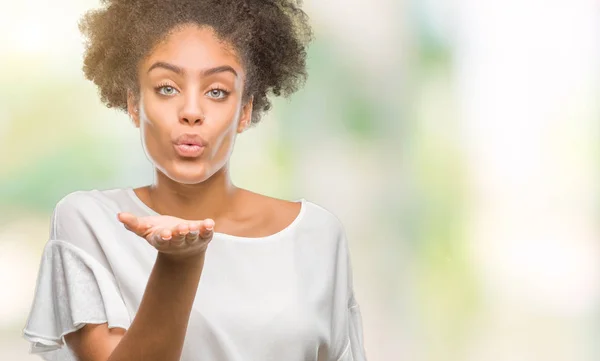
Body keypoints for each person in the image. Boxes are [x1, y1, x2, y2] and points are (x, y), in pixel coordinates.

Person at [22, 0, 367, 360]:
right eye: (167, 88)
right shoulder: (90, 222)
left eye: (217, 91)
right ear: (134, 103)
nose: (190, 112)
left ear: (245, 110)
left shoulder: (317, 235)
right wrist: (179, 262)